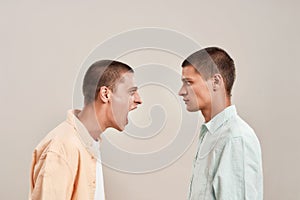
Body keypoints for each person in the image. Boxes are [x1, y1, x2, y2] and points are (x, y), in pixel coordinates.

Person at [29, 60, 142, 200]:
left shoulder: (89, 143)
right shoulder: (62, 147)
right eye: (131, 92)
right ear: (105, 94)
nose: (139, 100)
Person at [178, 47, 263, 200]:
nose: (181, 91)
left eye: (189, 82)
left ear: (216, 82)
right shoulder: (211, 135)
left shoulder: (235, 138)